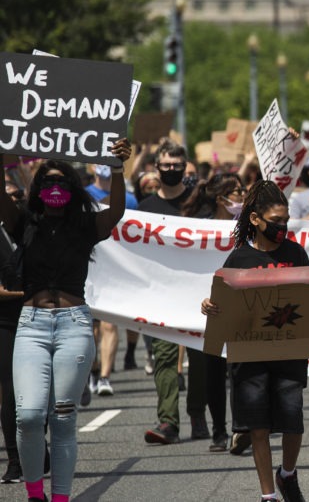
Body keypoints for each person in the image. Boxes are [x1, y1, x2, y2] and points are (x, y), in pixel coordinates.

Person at [0, 138, 133, 502]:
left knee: (62, 418)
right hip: (32, 326)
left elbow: (117, 212)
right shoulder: (23, 223)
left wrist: (118, 168)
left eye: (61, 181)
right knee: (27, 417)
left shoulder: (85, 225)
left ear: (72, 189)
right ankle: (34, 492)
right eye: (47, 182)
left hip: (74, 326)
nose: (54, 188)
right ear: (38, 190)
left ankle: (59, 497)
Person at [201, 179, 309, 502]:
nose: (282, 227)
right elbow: (223, 301)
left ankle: (287, 474)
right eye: (275, 222)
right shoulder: (239, 259)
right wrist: (209, 306)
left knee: (293, 420)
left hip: (289, 351)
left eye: (286, 221)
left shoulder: (296, 253)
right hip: (250, 354)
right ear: (256, 219)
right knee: (257, 425)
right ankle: (268, 494)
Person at [182, 173, 247, 453]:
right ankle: (219, 430)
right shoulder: (200, 229)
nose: (243, 196)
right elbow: (189, 270)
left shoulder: (247, 227)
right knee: (214, 372)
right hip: (210, 310)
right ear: (221, 199)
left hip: (242, 307)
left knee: (241, 371)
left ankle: (241, 429)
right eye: (237, 192)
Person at [139, 141, 196, 445]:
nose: (172, 170)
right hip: (161, 295)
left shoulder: (198, 203)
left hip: (199, 294)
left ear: (186, 167)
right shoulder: (146, 208)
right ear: (157, 168)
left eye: (177, 165)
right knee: (164, 357)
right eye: (166, 165)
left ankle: (201, 419)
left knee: (204, 358)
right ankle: (168, 422)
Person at [85, 163, 141, 396]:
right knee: (92, 327)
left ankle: (105, 377)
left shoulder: (130, 200)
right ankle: (92, 370)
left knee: (109, 324)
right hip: (90, 267)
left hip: (116, 270)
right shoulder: (84, 195)